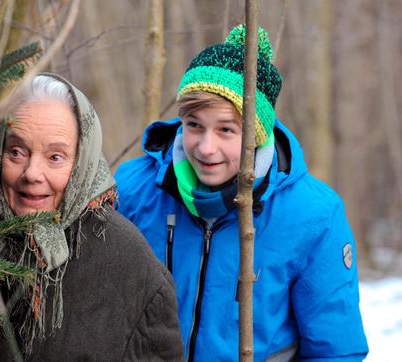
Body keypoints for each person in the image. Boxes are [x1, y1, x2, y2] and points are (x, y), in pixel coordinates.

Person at [115, 25, 369, 361]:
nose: (206, 148)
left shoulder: (314, 215)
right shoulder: (133, 188)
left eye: (226, 130)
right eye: (194, 125)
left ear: (257, 133)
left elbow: (336, 350)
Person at [0, 73, 184, 361]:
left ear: (82, 162)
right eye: (17, 152)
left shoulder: (131, 268)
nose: (32, 173)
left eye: (55, 157)